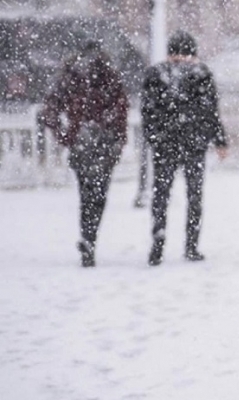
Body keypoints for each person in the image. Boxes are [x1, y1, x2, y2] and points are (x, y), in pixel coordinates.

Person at [141, 31, 228, 266]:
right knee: (194, 195)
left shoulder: (155, 74)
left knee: (161, 194)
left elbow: (147, 111)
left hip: (165, 145)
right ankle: (191, 245)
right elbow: (210, 111)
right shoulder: (201, 73)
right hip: (194, 144)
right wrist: (219, 140)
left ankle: (158, 241)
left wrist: (154, 138)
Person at [41, 40, 129, 268]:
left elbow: (50, 110)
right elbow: (121, 110)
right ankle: (90, 237)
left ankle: (87, 236)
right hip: (104, 142)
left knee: (86, 194)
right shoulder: (109, 76)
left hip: (81, 142)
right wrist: (118, 139)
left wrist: (65, 135)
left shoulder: (70, 77)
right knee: (99, 195)